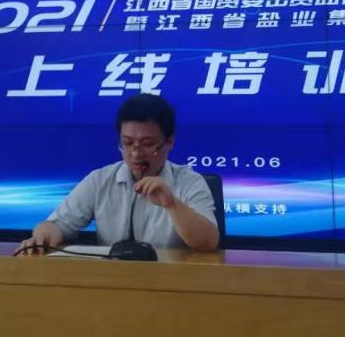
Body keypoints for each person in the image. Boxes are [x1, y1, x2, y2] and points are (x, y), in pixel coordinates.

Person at [18, 93, 218, 255]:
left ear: (170, 142)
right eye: (127, 143)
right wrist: (42, 236)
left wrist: (172, 204)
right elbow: (58, 224)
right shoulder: (100, 180)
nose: (135, 153)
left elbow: (209, 242)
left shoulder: (190, 182)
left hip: (173, 281)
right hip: (112, 280)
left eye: (147, 144)